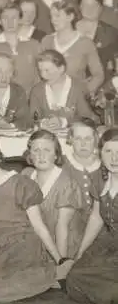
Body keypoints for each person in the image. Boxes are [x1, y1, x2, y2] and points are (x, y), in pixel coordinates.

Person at [0, 131, 66, 302]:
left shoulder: (21, 184)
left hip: (23, 249)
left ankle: (52, 273)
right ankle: (41, 281)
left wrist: (58, 258)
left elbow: (38, 226)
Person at [66, 127, 118, 303]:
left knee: (111, 290)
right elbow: (96, 217)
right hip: (109, 243)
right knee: (74, 277)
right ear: (100, 152)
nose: (114, 158)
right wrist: (80, 252)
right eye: (108, 151)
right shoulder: (100, 180)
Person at [22, 130, 87, 260]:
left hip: (63, 245)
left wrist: (61, 262)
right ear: (30, 155)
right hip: (37, 241)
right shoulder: (26, 175)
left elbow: (62, 227)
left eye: (47, 150)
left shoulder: (66, 184)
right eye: (36, 150)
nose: (41, 156)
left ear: (56, 155)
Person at [41, 0, 104, 95]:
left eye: (58, 16)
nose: (53, 20)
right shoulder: (46, 41)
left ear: (70, 16)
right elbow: (38, 73)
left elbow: (98, 75)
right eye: (51, 16)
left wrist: (84, 92)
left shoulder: (85, 43)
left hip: (75, 102)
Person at [0, 3, 41, 95]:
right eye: (5, 18)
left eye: (14, 18)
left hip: (27, 99)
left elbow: (38, 76)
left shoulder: (34, 44)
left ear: (20, 20)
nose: (10, 22)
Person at [29, 50, 98, 129]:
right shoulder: (37, 90)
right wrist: (42, 123)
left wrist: (64, 122)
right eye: (40, 70)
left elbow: (89, 119)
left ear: (61, 69)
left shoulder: (78, 88)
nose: (43, 75)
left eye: (47, 70)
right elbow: (32, 118)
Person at [63, 119, 104, 219]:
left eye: (88, 139)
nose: (83, 143)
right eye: (78, 138)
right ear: (70, 139)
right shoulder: (62, 164)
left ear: (95, 139)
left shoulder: (105, 164)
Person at [76, 0, 118, 71]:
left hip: (105, 80)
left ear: (101, 8)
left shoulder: (112, 33)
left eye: (94, 5)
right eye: (86, 5)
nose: (90, 9)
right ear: (79, 7)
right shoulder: (68, 29)